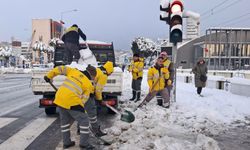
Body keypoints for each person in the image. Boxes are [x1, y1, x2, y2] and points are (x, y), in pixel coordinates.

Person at [44, 65, 97, 149]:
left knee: (65, 122)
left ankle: (67, 142)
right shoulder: (88, 84)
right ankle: (84, 144)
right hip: (72, 100)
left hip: (60, 98)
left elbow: (60, 68)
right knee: (84, 120)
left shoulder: (74, 71)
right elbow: (84, 99)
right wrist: (81, 109)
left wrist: (49, 76)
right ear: (92, 75)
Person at [80, 61, 114, 137]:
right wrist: (99, 99)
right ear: (109, 71)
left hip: (82, 90)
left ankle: (80, 129)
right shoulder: (104, 75)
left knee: (82, 110)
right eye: (111, 73)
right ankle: (95, 130)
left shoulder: (98, 69)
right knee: (92, 112)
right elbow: (98, 89)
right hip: (88, 92)